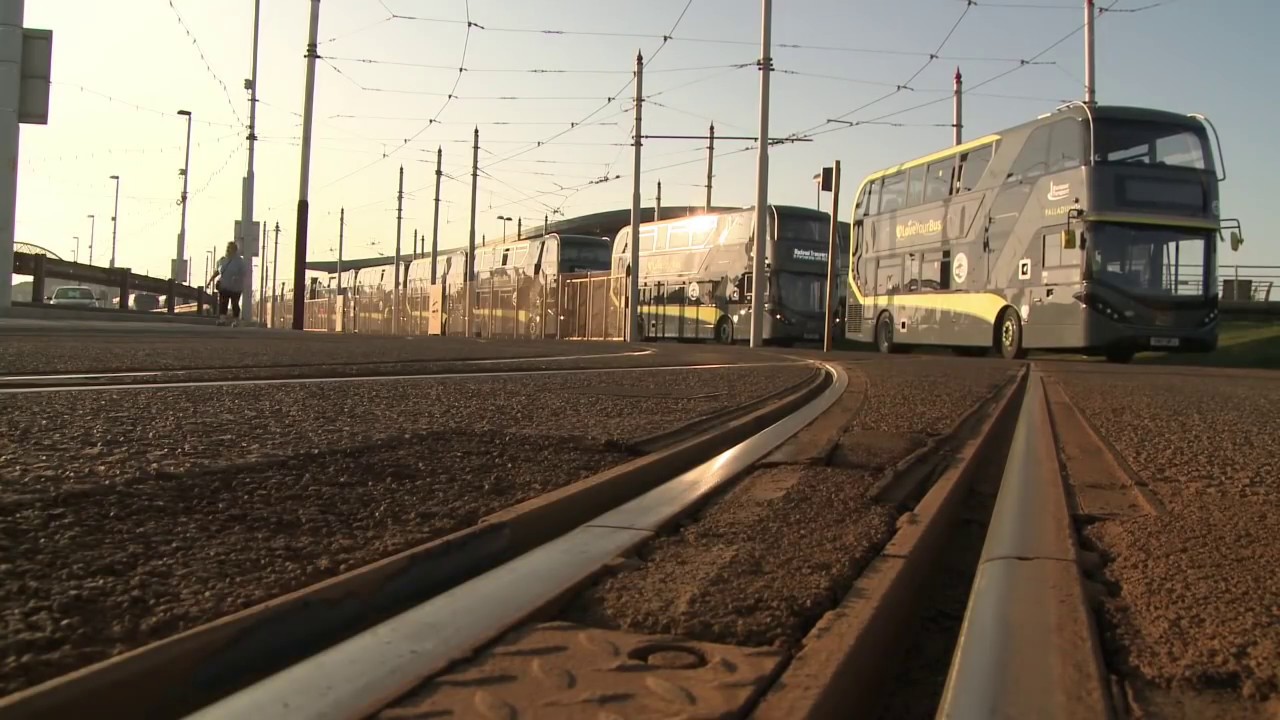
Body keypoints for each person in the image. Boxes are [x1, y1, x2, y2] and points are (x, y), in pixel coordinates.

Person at [209, 241, 247, 327]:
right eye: (228, 248)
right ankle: (222, 320)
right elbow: (217, 271)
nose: (228, 250)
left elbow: (244, 273)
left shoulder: (240, 261)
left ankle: (236, 321)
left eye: (231, 248)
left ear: (235, 250)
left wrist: (237, 277)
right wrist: (210, 280)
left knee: (235, 303)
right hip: (224, 285)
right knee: (223, 302)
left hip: (236, 287)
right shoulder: (222, 260)